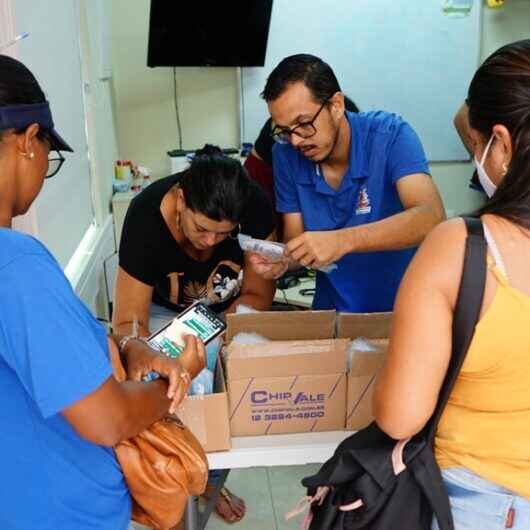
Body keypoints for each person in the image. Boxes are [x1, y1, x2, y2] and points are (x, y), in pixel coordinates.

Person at [0, 54, 205, 530]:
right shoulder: (16, 265)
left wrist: (122, 347)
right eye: (49, 156)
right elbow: (106, 419)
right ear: (30, 141)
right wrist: (172, 383)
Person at [374, 39, 530, 529]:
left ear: (500, 144)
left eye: (474, 145)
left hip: (482, 503)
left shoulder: (460, 247)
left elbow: (400, 418)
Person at [112, 145, 276, 523]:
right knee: (161, 383)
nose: (209, 242)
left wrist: (212, 335)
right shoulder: (145, 217)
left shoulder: (254, 206)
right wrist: (151, 353)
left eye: (224, 235)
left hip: (227, 310)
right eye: (201, 229)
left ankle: (208, 475)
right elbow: (128, 324)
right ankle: (178, 473)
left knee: (217, 383)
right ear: (181, 200)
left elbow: (256, 295)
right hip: (159, 313)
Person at [251, 54, 445, 313]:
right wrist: (285, 261)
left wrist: (341, 240)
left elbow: (430, 217)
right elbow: (296, 239)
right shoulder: (285, 155)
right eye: (285, 130)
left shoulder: (390, 135)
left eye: (304, 124)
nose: (296, 141)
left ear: (336, 105)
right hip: (332, 313)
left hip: (402, 311)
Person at [244, 96, 360, 241]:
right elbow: (293, 238)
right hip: (264, 171)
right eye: (286, 132)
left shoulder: (379, 137)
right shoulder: (285, 152)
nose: (295, 141)